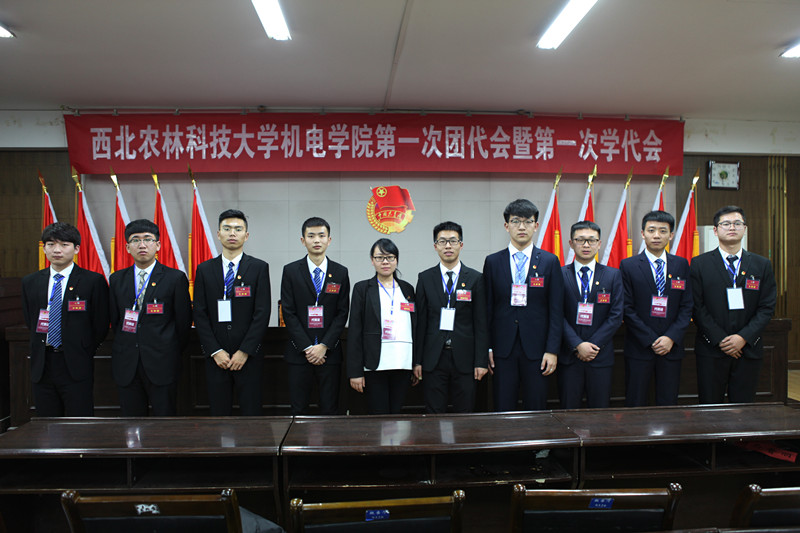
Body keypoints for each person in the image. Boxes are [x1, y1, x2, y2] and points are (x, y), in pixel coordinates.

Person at [482, 199, 564, 411]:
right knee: (503, 406)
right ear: (506, 225)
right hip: (502, 349)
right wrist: (487, 347)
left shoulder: (550, 261)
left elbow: (556, 310)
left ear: (536, 226)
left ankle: (537, 438)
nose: (521, 227)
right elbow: (487, 309)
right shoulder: (493, 262)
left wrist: (552, 350)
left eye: (528, 222)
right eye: (516, 221)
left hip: (538, 350)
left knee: (536, 405)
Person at [21, 222, 109, 417]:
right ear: (44, 248)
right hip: (43, 362)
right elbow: (30, 319)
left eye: (64, 244)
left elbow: (100, 324)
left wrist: (83, 347)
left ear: (76, 249)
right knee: (46, 422)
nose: (57, 250)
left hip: (76, 362)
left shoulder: (92, 281)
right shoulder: (30, 282)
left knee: (79, 420)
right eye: (51, 244)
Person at [690, 206, 776, 403]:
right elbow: (697, 306)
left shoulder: (761, 265)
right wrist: (721, 339)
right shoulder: (699, 264)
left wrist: (742, 338)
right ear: (715, 230)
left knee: (743, 409)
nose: (732, 228)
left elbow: (767, 307)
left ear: (744, 229)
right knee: (710, 407)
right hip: (711, 349)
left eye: (737, 223)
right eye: (726, 224)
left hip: (748, 349)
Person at [108, 219, 192, 416]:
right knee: (131, 423)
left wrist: (168, 349)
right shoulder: (117, 279)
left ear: (158, 245)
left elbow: (183, 323)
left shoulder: (175, 278)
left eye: (148, 239)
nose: (142, 245)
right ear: (127, 247)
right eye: (135, 240)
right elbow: (115, 319)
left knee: (165, 421)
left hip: (162, 362)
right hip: (127, 363)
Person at [193, 209, 271, 416]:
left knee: (251, 414)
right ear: (219, 234)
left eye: (238, 229)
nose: (232, 233)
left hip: (249, 356)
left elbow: (262, 313)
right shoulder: (204, 269)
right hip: (216, 357)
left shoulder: (259, 268)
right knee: (219, 414)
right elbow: (200, 313)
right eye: (227, 229)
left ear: (246, 235)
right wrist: (215, 351)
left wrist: (244, 351)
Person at [413, 221, 489, 413]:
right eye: (442, 241)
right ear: (435, 246)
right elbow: (421, 323)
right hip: (433, 358)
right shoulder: (425, 278)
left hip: (465, 358)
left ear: (461, 245)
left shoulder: (475, 278)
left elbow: (481, 323)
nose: (448, 246)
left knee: (464, 413)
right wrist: (417, 360)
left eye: (453, 241)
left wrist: (481, 361)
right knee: (434, 413)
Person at [619, 210, 692, 407]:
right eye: (651, 230)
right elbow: (626, 307)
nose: (657, 235)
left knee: (668, 402)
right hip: (639, 347)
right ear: (642, 234)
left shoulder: (681, 265)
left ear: (671, 235)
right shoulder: (628, 265)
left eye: (663, 231)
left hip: (671, 347)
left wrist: (670, 338)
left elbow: (687, 306)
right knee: (636, 402)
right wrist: (651, 339)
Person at [280, 216, 349, 415]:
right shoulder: (291, 271)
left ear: (329, 240)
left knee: (330, 408)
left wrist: (324, 346)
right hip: (299, 353)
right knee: (298, 409)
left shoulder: (340, 272)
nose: (316, 240)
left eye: (321, 235)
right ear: (303, 240)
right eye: (311, 236)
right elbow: (288, 312)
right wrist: (308, 348)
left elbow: (342, 312)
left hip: (330, 354)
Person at [347, 238, 416, 414]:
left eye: (390, 257)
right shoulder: (362, 289)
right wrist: (355, 371)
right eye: (379, 257)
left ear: (396, 260)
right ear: (372, 260)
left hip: (402, 362)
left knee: (397, 414)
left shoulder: (407, 289)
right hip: (374, 364)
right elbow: (355, 331)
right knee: (379, 415)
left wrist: (416, 363)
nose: (385, 262)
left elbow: (415, 327)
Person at [559, 221, 623, 409]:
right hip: (569, 356)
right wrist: (577, 344)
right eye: (580, 240)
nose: (586, 245)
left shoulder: (613, 275)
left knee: (599, 412)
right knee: (568, 412)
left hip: (600, 356)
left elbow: (616, 315)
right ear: (571, 243)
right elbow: (556, 314)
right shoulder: (560, 274)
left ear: (599, 244)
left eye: (591, 240)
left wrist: (592, 345)